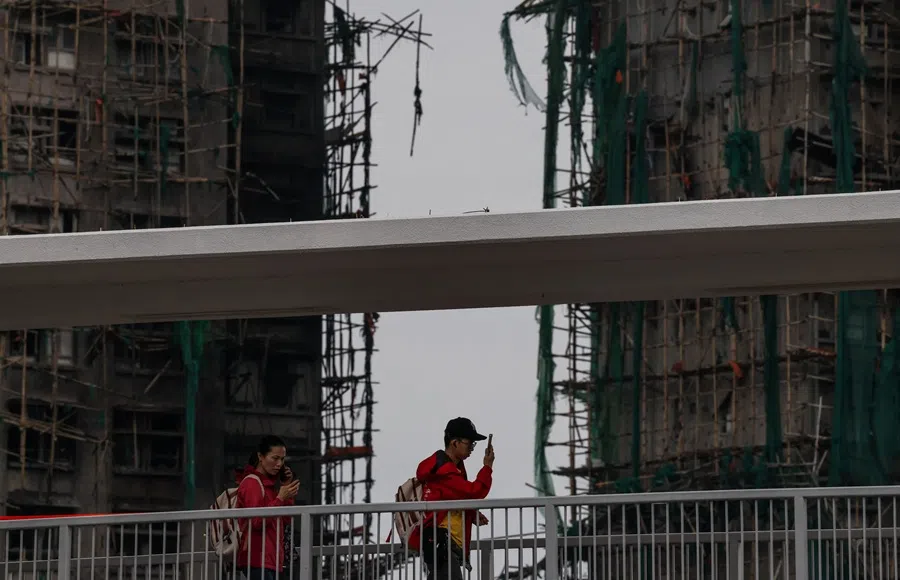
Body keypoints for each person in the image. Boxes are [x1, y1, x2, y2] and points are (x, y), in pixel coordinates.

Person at [409, 418, 495, 580]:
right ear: (455, 442)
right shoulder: (444, 470)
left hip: (444, 544)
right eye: (470, 443)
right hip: (441, 543)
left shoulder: (452, 469)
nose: (472, 448)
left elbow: (455, 497)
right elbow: (474, 492)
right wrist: (487, 467)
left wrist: (470, 513)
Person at [235, 435, 300, 580]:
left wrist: (286, 490)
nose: (279, 464)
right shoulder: (251, 483)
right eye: (275, 458)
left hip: (271, 560)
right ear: (260, 456)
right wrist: (280, 498)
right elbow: (256, 521)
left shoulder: (269, 487)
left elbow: (286, 520)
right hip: (257, 559)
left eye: (282, 460)